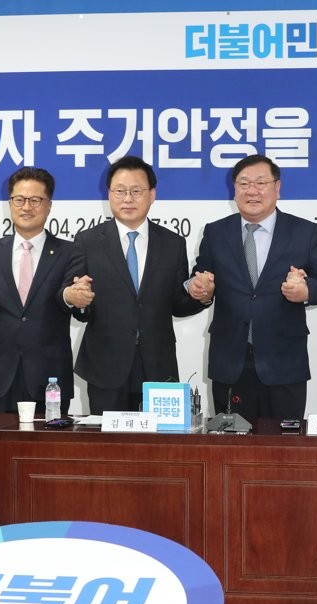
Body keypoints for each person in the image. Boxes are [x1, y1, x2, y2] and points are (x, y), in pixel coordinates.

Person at [188, 154, 317, 422]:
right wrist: (201, 290)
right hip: (230, 362)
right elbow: (200, 278)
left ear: (277, 188)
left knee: (283, 443)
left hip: (284, 363)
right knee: (231, 443)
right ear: (234, 189)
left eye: (261, 183)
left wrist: (306, 291)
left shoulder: (304, 232)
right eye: (244, 183)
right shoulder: (215, 233)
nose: (252, 191)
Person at [71, 156, 209, 414]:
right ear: (109, 194)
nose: (128, 199)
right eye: (120, 191)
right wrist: (78, 301)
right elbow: (81, 305)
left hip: (158, 363)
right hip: (105, 364)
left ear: (152, 195)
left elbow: (178, 304)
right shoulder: (87, 241)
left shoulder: (173, 243)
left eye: (136, 191)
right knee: (107, 438)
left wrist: (200, 296)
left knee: (158, 439)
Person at [0, 167, 81, 414]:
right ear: (10, 203)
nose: (26, 207)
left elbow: (68, 298)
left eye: (35, 200)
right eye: (19, 200)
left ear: (49, 205)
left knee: (51, 438)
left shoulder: (69, 252)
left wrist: (73, 296)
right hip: (4, 372)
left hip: (51, 374)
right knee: (3, 438)